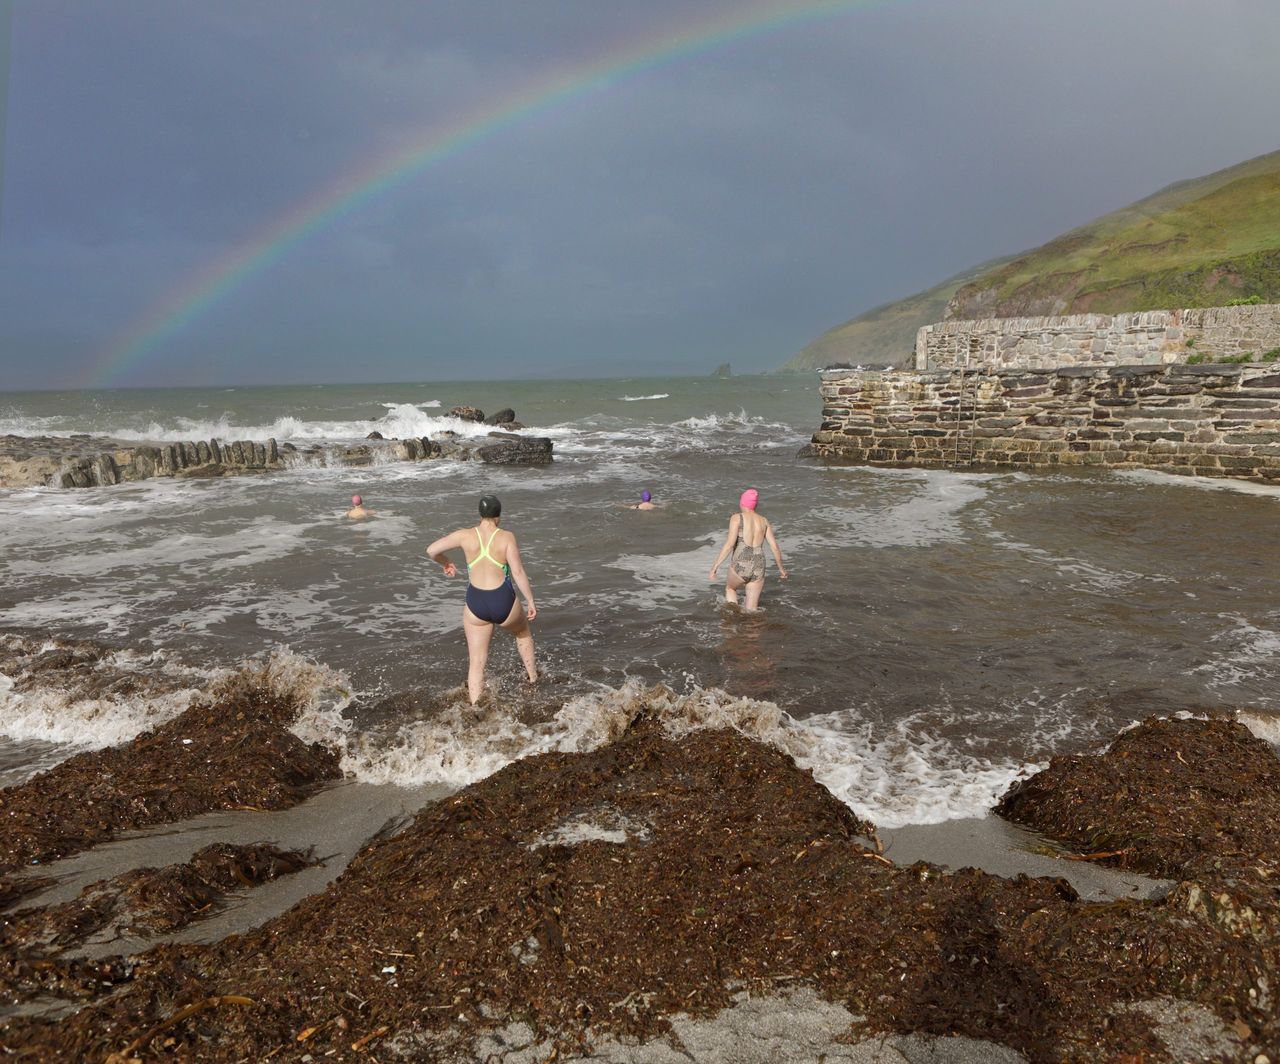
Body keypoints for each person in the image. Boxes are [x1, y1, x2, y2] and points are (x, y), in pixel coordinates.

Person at [426, 494, 538, 704]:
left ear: (480, 514)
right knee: (522, 632)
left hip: (476, 603)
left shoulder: (465, 535)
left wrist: (445, 562)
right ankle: (533, 680)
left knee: (476, 662)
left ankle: (476, 708)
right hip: (503, 600)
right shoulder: (506, 537)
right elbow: (518, 572)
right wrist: (530, 601)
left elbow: (431, 550)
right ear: (498, 516)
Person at [708, 488, 787, 611]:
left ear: (742, 503)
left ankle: (732, 620)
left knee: (730, 589)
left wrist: (714, 567)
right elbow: (774, 547)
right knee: (751, 611)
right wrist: (782, 570)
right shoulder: (764, 520)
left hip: (741, 563)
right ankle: (751, 628)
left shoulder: (737, 518)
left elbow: (729, 545)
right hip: (759, 565)